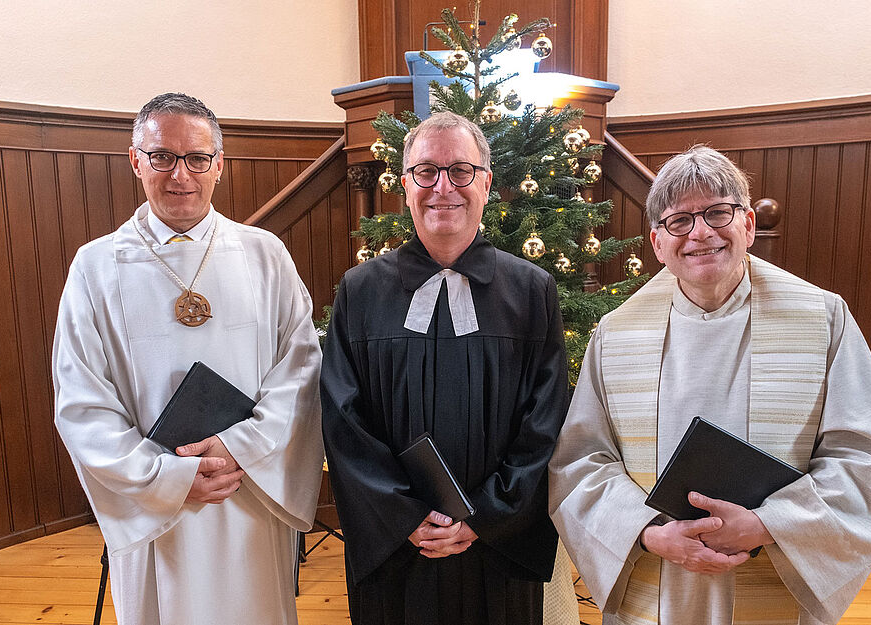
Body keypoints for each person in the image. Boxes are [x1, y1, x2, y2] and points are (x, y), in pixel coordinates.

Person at [548, 145, 871, 625]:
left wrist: (769, 523)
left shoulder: (821, 318)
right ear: (658, 243)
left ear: (748, 225)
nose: (701, 233)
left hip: (772, 576)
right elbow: (580, 461)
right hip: (657, 584)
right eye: (680, 221)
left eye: (718, 213)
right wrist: (647, 531)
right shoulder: (617, 332)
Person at [52, 92, 322, 625]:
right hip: (155, 503)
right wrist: (166, 477)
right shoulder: (96, 266)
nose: (181, 175)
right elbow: (82, 400)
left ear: (219, 164)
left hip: (245, 487)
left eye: (198, 158)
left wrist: (238, 446)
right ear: (136, 160)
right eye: (163, 157)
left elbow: (302, 369)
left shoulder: (264, 253)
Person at [320, 111, 569, 625]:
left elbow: (546, 420)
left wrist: (485, 515)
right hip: (398, 544)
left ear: (486, 183)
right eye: (426, 171)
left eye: (460, 171)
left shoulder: (530, 290)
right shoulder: (361, 290)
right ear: (405, 184)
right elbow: (343, 418)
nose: (443, 188)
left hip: (497, 543)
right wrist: (405, 517)